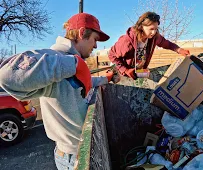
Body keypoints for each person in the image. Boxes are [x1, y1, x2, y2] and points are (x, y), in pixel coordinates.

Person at [0, 13, 117, 169]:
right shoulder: (57, 56)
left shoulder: (69, 60)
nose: (96, 45)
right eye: (95, 39)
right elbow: (6, 75)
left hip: (85, 149)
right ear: (82, 33)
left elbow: (83, 83)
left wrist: (106, 79)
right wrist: (74, 64)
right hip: (73, 156)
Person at [108, 11, 190, 80]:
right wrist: (125, 70)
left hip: (137, 71)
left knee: (158, 78)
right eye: (151, 29)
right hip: (121, 72)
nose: (154, 32)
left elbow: (167, 43)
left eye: (156, 29)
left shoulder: (154, 37)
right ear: (141, 27)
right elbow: (111, 55)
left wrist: (179, 50)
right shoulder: (127, 41)